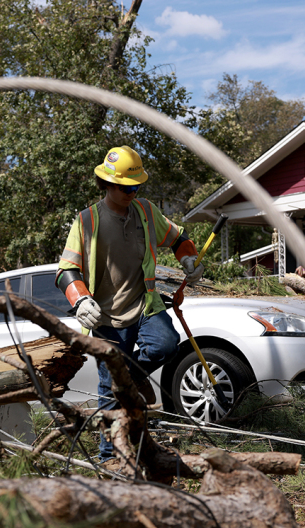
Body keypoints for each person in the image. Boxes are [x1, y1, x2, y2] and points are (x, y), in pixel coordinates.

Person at [55, 146, 204, 463]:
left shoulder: (146, 212)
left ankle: (131, 379)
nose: (133, 192)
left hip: (145, 306)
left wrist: (188, 257)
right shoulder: (86, 221)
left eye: (137, 186)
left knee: (166, 345)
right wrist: (80, 298)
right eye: (127, 187)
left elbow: (178, 237)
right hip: (105, 318)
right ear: (107, 183)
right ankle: (110, 457)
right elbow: (66, 270)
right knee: (110, 390)